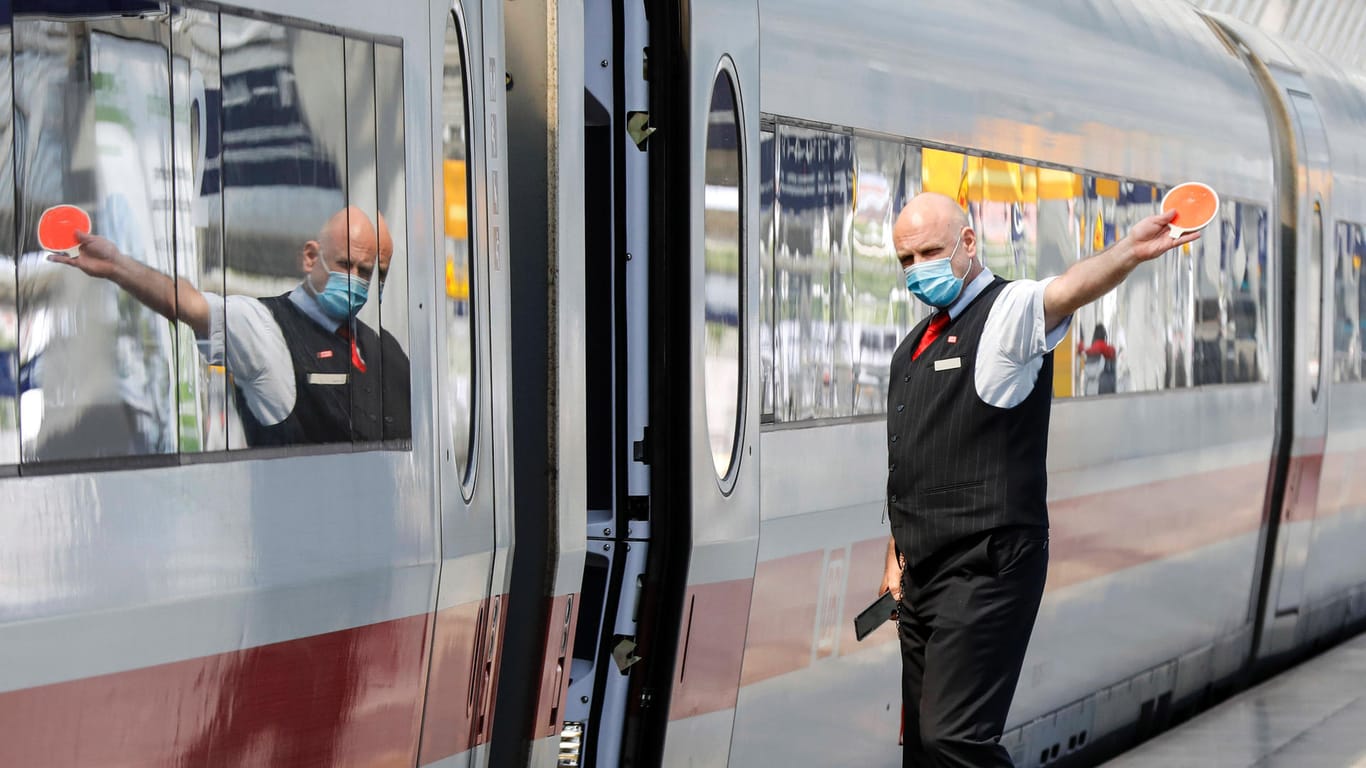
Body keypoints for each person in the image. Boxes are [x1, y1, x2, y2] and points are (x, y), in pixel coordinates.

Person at [879, 192, 1198, 767]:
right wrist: (895, 553)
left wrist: (1129, 251)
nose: (918, 269)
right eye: (906, 260)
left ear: (968, 242)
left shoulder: (1007, 313)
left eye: (930, 251)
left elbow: (1068, 287)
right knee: (924, 749)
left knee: (956, 737)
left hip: (988, 562)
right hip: (923, 571)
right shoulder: (911, 350)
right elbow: (914, 459)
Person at [50, 206, 410, 446]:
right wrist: (116, 266)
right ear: (310, 257)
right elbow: (186, 302)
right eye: (346, 264)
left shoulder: (385, 352)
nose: (357, 280)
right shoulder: (265, 327)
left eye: (369, 272)